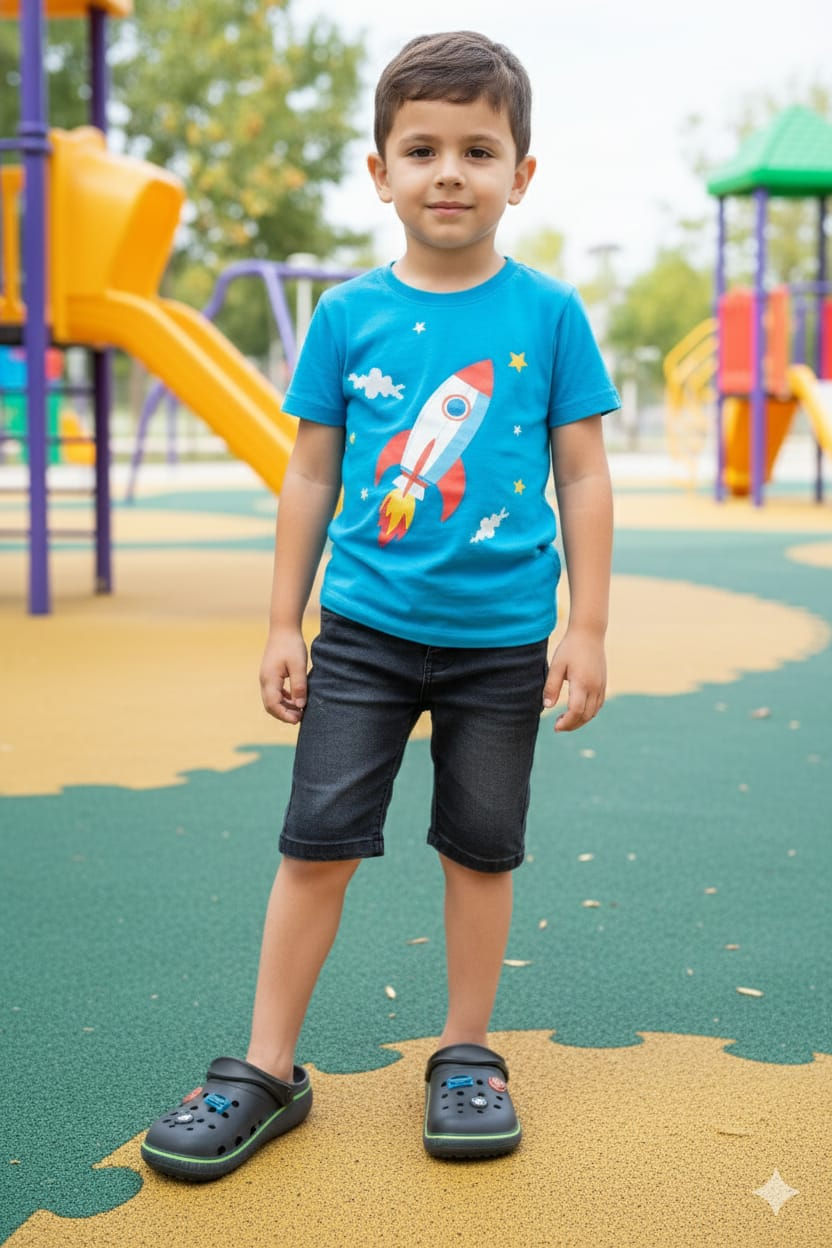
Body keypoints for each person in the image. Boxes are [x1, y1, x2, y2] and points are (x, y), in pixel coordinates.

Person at [142, 29, 619, 1182]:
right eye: (422, 149)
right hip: (360, 635)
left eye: (478, 150)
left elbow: (583, 475)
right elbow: (309, 474)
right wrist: (281, 620)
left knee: (481, 853)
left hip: (502, 643)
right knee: (315, 846)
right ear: (379, 171)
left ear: (521, 174)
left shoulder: (549, 315)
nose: (448, 172)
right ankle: (266, 1066)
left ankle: (466, 1053)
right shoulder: (347, 316)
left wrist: (588, 626)